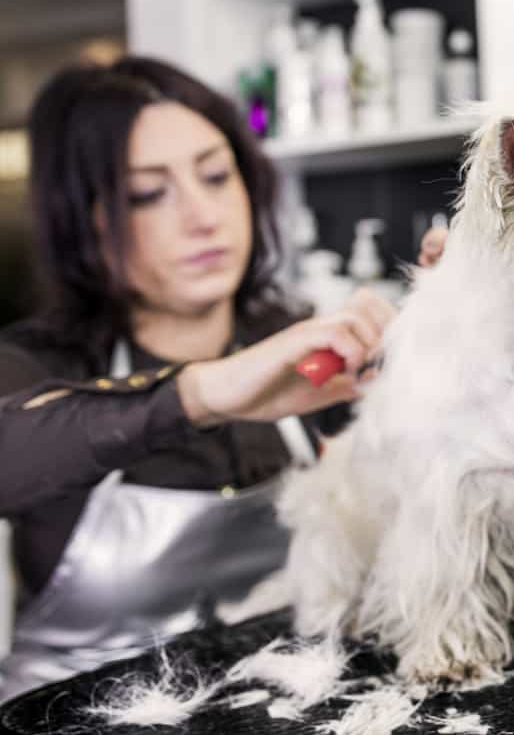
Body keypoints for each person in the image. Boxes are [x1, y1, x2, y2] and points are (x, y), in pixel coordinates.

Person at [0, 56, 446, 702]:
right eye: (148, 194)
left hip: (265, 703)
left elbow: (427, 497)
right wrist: (202, 391)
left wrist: (460, 324)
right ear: (84, 219)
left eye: (216, 175)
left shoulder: (301, 341)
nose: (203, 217)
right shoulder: (36, 363)